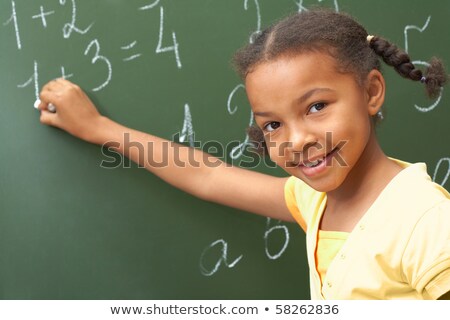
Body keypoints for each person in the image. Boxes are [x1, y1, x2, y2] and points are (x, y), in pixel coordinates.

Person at [36, 9, 449, 300]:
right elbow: (208, 176)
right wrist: (98, 128)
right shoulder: (316, 200)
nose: (297, 139)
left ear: (372, 92)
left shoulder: (424, 222)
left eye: (317, 106)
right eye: (273, 124)